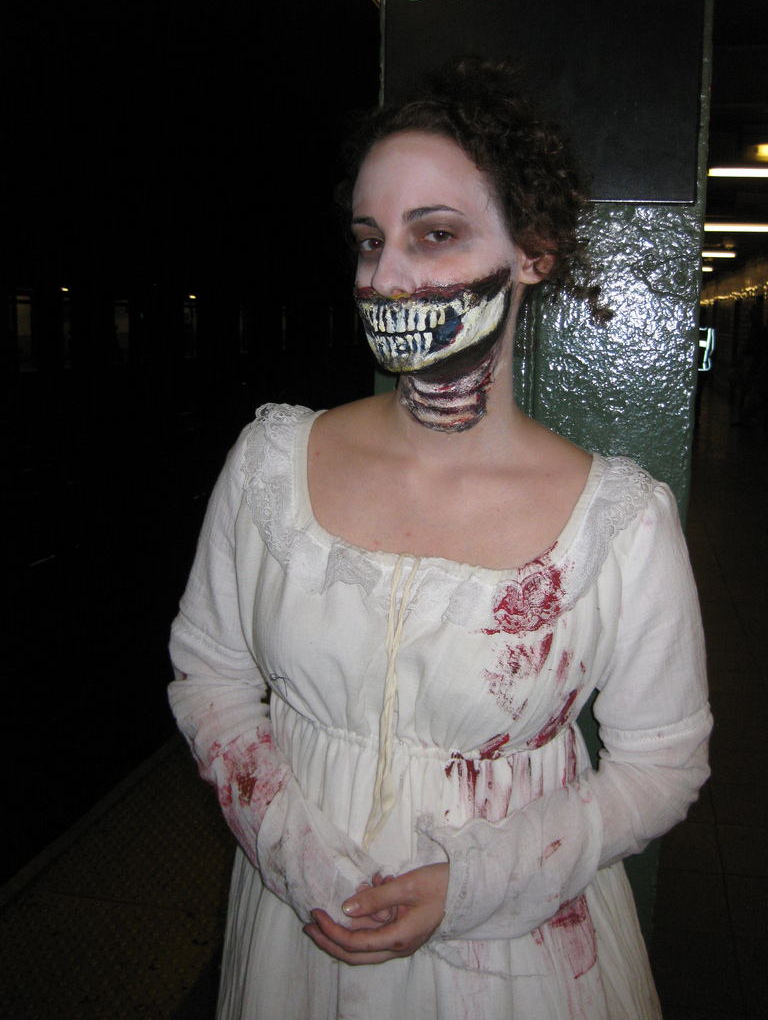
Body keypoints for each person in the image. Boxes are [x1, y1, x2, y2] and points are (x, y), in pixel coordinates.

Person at [169, 57, 711, 1020]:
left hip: (522, 964)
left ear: (533, 252)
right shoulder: (269, 467)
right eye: (368, 241)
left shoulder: (620, 524)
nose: (384, 276)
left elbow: (662, 764)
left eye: (436, 234)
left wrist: (474, 886)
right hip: (300, 940)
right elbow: (209, 678)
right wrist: (294, 852)